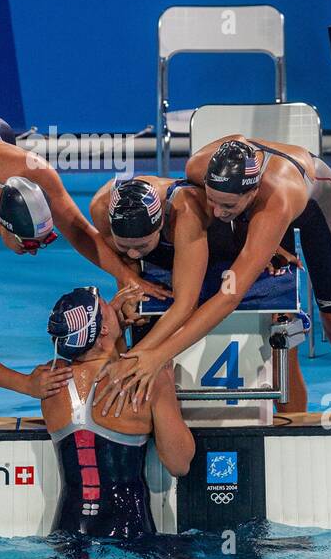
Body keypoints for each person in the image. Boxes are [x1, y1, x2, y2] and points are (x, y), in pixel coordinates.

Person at [0, 113, 164, 415]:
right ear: (4, 229)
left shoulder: (36, 172)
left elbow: (78, 229)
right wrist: (26, 384)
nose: (35, 253)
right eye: (29, 245)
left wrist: (130, 279)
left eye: (45, 240)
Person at [96, 137, 331, 409]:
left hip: (319, 207)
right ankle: (290, 423)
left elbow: (228, 296)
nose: (218, 212)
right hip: (254, 217)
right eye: (212, 200)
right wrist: (255, 242)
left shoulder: (276, 201)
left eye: (228, 206)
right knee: (277, 324)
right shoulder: (197, 167)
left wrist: (158, 355)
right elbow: (215, 209)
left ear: (253, 193)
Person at [91, 174, 308, 409]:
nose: (133, 252)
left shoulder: (186, 213)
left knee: (282, 342)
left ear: (160, 224)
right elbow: (127, 260)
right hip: (179, 248)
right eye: (123, 245)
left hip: (230, 242)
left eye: (142, 245)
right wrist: (130, 287)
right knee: (135, 323)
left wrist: (142, 356)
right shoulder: (102, 207)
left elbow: (186, 305)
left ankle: (295, 424)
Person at [41, 286, 194, 538]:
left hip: (67, 532)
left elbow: (100, 358)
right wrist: (164, 381)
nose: (114, 304)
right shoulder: (144, 381)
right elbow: (179, 463)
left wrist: (113, 327)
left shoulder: (49, 381)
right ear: (101, 329)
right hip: (126, 533)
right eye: (105, 304)